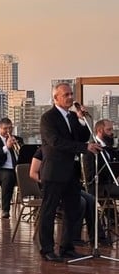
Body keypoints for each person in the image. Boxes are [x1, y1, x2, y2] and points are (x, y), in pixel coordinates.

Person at [38, 83, 101, 261]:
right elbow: (55, 142)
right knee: (49, 211)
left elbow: (81, 137)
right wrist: (84, 147)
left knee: (73, 208)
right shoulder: (48, 118)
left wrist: (81, 120)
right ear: (56, 98)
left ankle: (67, 247)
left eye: (71, 94)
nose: (70, 97)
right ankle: (47, 249)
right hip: (54, 170)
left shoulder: (73, 117)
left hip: (70, 171)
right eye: (66, 94)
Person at [0, 118, 23, 219]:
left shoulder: (18, 139)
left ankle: (37, 206)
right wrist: (6, 147)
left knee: (33, 173)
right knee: (8, 176)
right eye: (5, 129)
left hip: (16, 169)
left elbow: (23, 155)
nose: (8, 131)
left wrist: (18, 147)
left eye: (10, 128)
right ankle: (5, 210)